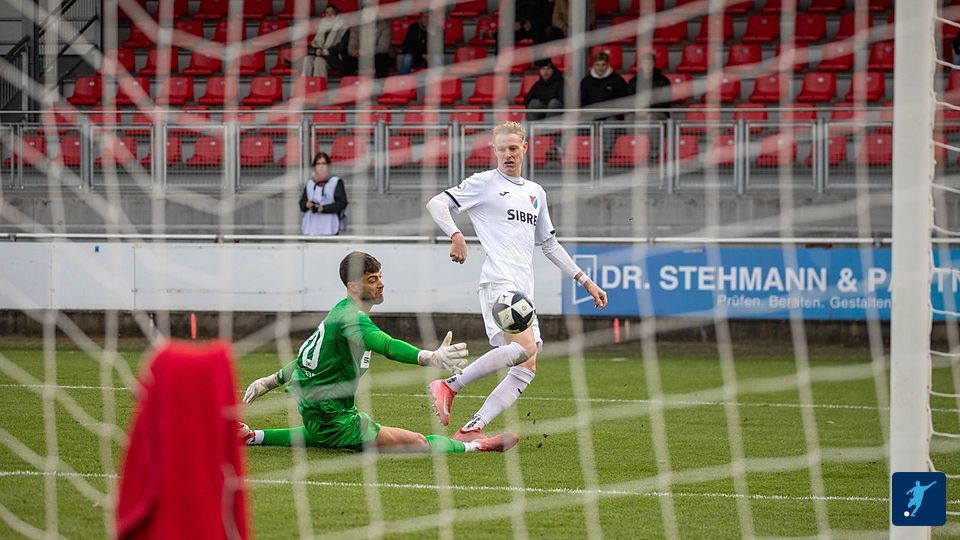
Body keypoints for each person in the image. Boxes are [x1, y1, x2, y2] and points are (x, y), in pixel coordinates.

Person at [424, 122, 608, 441]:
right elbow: (436, 203)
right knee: (523, 349)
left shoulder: (536, 192)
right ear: (494, 151)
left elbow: (549, 244)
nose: (508, 154)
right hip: (499, 282)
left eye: (513, 148)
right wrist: (456, 235)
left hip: (523, 290)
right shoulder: (484, 183)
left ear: (524, 147)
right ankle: (448, 386)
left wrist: (585, 281)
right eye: (501, 149)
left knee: (527, 364)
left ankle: (472, 428)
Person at [240, 251, 519, 453]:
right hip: (333, 416)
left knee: (319, 435)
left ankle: (251, 437)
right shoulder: (353, 319)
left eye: (380, 277)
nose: (381, 283)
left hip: (319, 414)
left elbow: (307, 358)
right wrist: (428, 357)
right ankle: (473, 446)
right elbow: (386, 345)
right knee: (417, 442)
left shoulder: (340, 311)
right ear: (353, 287)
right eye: (372, 279)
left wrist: (270, 381)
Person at [299, 152, 347, 236]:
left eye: (324, 164)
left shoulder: (335, 182)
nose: (321, 167)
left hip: (329, 227)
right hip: (311, 228)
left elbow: (341, 203)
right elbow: (302, 205)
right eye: (318, 164)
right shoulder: (310, 183)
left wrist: (323, 208)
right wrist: (307, 204)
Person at [580, 51, 628, 121]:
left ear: (608, 65)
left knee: (611, 122)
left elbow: (622, 100)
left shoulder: (617, 80)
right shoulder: (586, 82)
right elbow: (582, 102)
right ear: (593, 65)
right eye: (597, 65)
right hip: (591, 115)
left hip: (611, 115)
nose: (600, 68)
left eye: (603, 65)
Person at [302, 5, 347, 77]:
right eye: (327, 12)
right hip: (321, 55)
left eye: (331, 12)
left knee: (319, 60)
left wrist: (327, 51)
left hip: (334, 58)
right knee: (308, 59)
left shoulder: (343, 29)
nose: (329, 14)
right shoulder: (322, 27)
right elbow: (315, 44)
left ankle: (319, 83)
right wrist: (317, 50)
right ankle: (305, 82)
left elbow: (342, 47)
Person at [627, 53, 672, 121]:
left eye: (650, 63)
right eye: (645, 63)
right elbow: (629, 100)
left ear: (654, 64)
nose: (647, 66)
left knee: (651, 117)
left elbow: (665, 102)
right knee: (629, 117)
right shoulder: (633, 81)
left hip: (658, 112)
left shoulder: (663, 81)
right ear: (640, 64)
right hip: (638, 111)